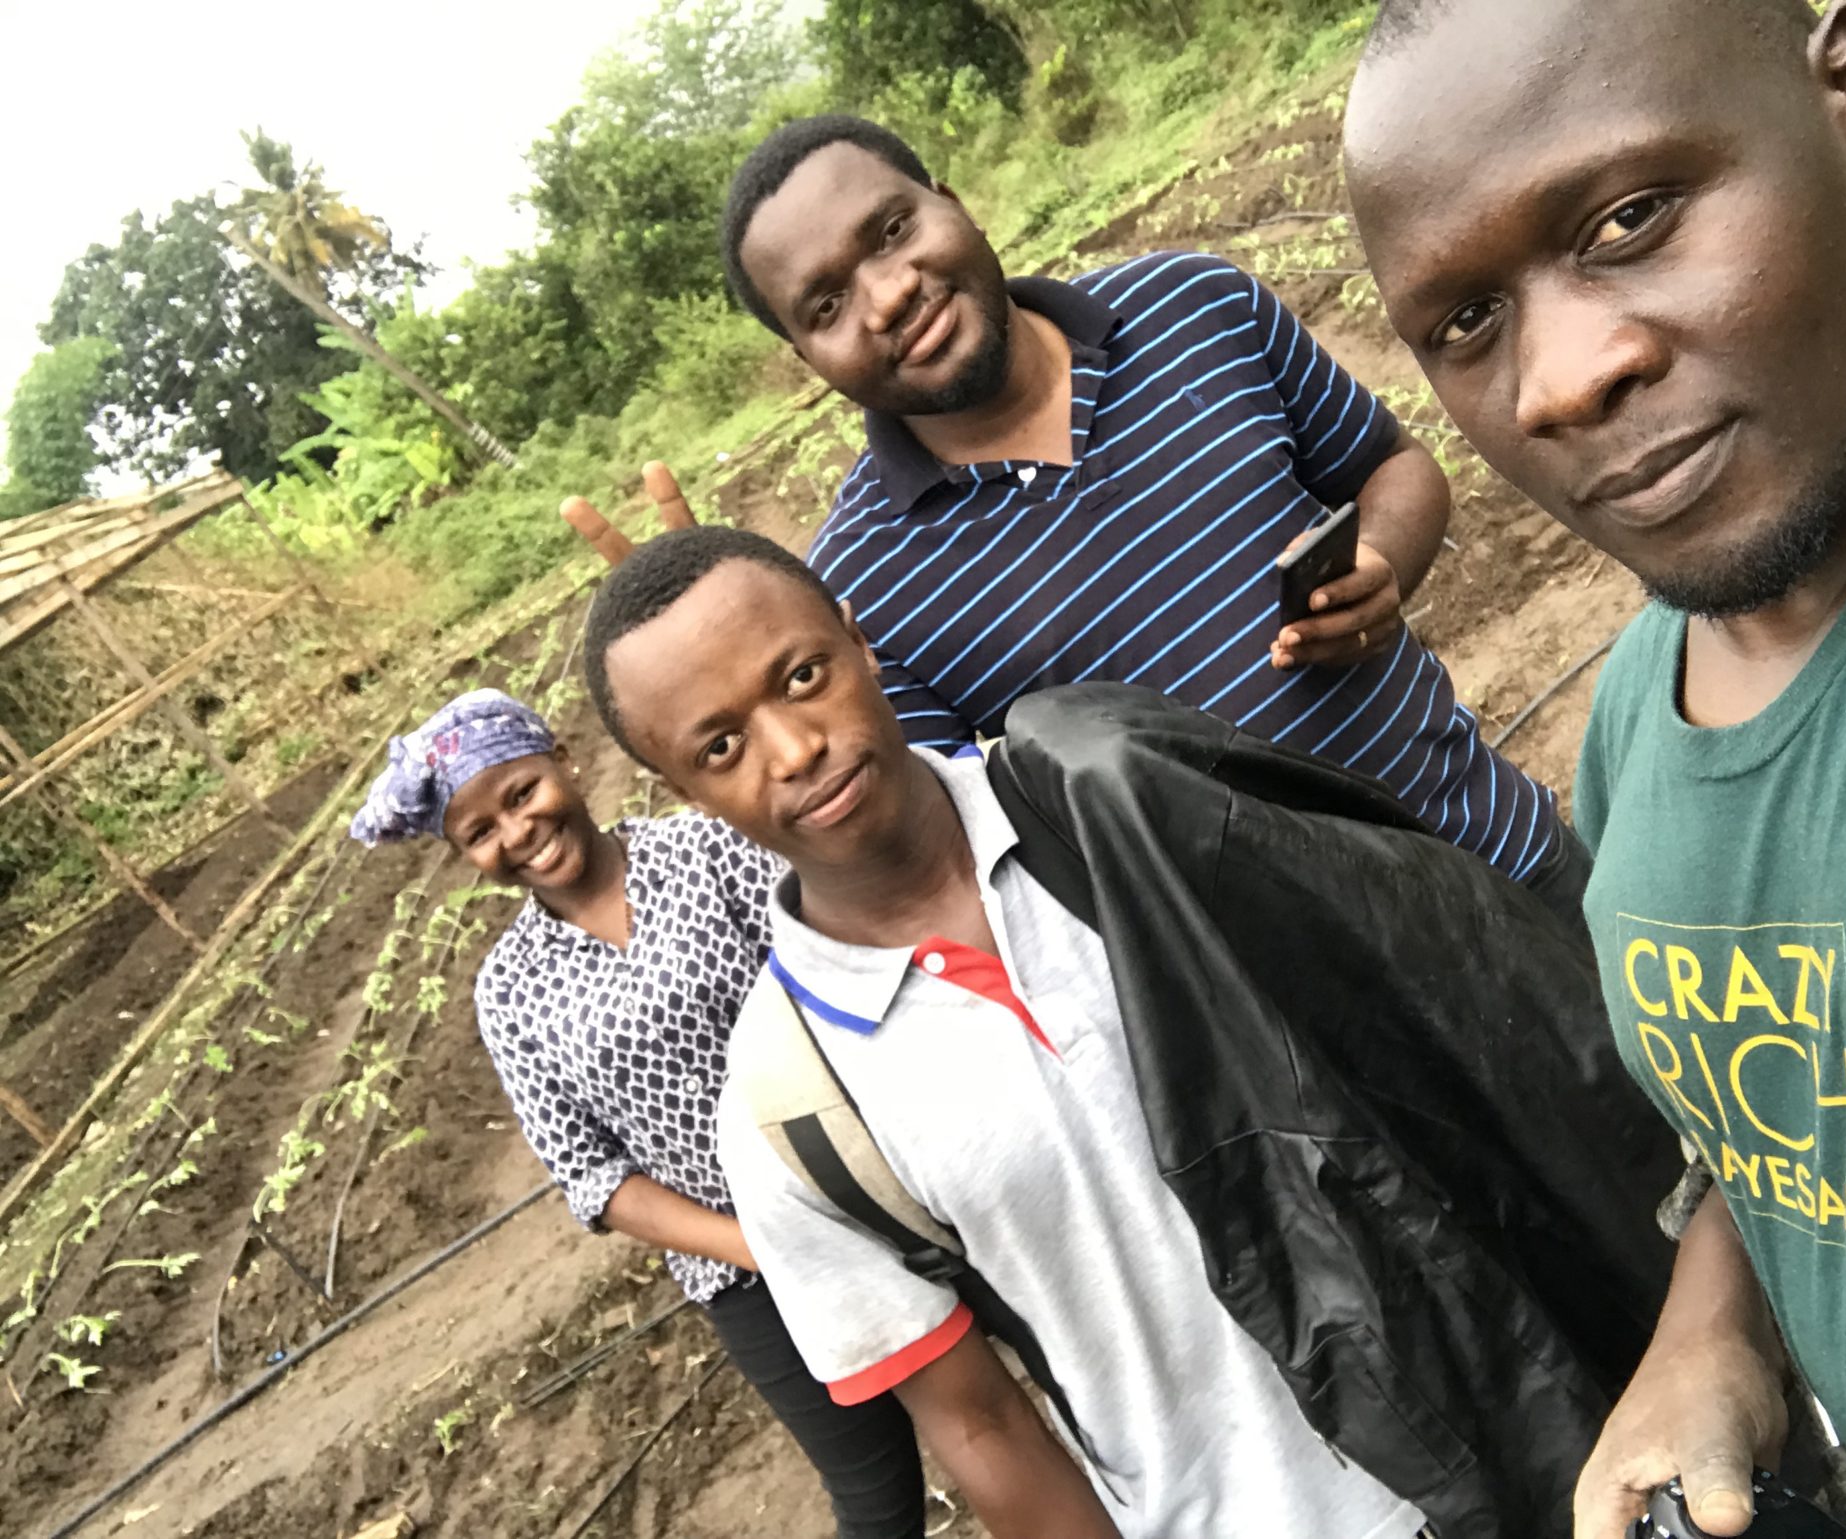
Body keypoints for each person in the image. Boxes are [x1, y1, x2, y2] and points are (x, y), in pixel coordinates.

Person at [575, 524, 1687, 1538]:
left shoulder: (1132, 812)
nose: (790, 749)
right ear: (676, 789)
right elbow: (982, 1430)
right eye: (719, 746)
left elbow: (1446, 1028)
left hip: (1542, 1428)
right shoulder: (790, 1115)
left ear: (858, 641)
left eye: (800, 677)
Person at [1342, 1, 1846, 1535]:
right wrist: (1714, 1323)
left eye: (1630, 217)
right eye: (1467, 323)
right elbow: (1793, 1111)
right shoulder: (1644, 720)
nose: (1555, 380)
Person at [714, 113, 1583, 902]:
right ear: (805, 356)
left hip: (1499, 846)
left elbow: (1392, 467)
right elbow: (968, 857)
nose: (889, 294)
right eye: (827, 304)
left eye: (893, 230)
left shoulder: (1193, 306)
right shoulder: (864, 586)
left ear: (954, 202)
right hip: (1306, 1024)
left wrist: (1382, 561)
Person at [347, 691, 928, 1539]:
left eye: (519, 794)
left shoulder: (704, 849)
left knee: (1033, 1392)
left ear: (564, 762)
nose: (515, 833)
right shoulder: (508, 991)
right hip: (749, 1273)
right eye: (479, 833)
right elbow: (592, 1176)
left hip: (889, 1177)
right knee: (877, 1502)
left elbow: (839, 969)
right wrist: (757, 1243)